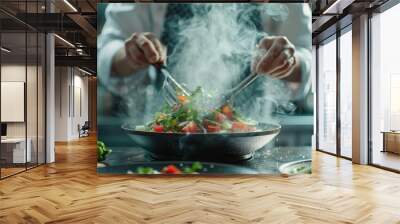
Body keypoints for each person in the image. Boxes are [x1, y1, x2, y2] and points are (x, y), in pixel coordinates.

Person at [98, 3, 312, 122]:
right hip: (168, 137)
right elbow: (106, 54)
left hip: (249, 136)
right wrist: (131, 56)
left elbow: (308, 58)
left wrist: (288, 61)